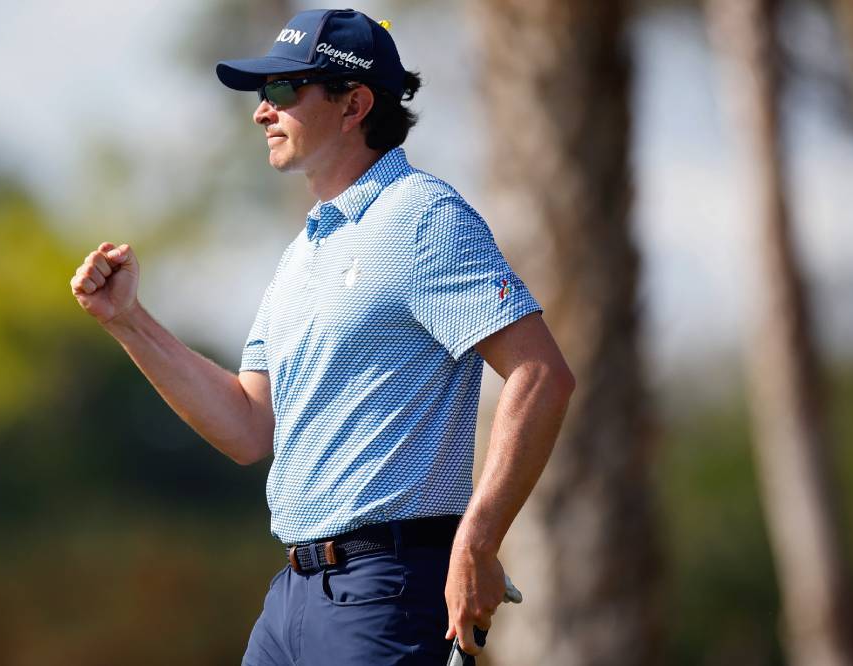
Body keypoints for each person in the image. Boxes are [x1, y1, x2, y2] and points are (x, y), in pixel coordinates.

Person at [69, 7, 573, 665]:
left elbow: (541, 374)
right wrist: (128, 321)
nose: (262, 111)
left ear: (354, 104)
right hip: (292, 599)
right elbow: (249, 426)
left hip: (384, 593)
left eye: (283, 89)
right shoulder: (303, 252)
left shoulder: (424, 216)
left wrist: (477, 540)